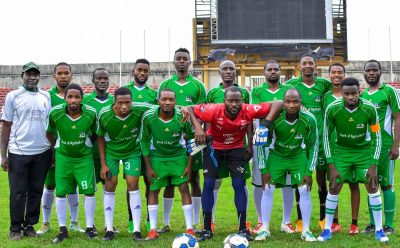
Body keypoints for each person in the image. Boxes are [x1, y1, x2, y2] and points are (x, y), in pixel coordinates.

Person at [184, 86, 283, 242]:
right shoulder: (213, 109)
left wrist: (265, 124)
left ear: (242, 101)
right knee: (209, 184)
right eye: (230, 100)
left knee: (239, 184)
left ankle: (243, 227)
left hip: (236, 149)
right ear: (224, 101)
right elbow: (189, 107)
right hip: (213, 148)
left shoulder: (248, 109)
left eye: (237, 100)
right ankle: (206, 229)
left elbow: (278, 103)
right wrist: (198, 128)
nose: (234, 104)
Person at [317, 77, 388, 243]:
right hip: (341, 152)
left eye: (354, 93)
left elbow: (377, 137)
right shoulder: (332, 109)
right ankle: (327, 229)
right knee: (334, 187)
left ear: (359, 92)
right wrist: (331, 165)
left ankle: (379, 229)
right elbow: (326, 137)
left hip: (363, 152)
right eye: (347, 94)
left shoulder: (369, 109)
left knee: (372, 185)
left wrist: (373, 165)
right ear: (341, 93)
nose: (350, 97)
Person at [255, 88, 318, 242]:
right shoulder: (273, 117)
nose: (291, 105)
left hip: (298, 156)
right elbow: (261, 144)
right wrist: (263, 169)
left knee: (304, 189)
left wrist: (309, 171)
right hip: (277, 155)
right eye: (288, 101)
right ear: (283, 102)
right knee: (268, 188)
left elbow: (313, 146)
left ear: (300, 102)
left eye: (295, 101)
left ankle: (306, 230)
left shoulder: (309, 119)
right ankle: (265, 229)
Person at [1, 62, 52, 240]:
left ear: (39, 76)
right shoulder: (13, 96)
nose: (32, 77)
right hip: (19, 152)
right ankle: (15, 227)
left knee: (36, 190)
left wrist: (52, 151)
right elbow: (6, 125)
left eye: (35, 74)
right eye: (29, 74)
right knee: (18, 191)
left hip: (42, 151)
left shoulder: (45, 96)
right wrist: (3, 155)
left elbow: (49, 126)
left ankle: (29, 225)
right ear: (22, 75)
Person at [157, 48, 207, 232]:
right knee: (169, 180)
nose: (182, 61)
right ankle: (166, 223)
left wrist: (196, 129)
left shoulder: (198, 86)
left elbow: (202, 110)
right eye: (178, 58)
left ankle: (194, 223)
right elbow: (161, 107)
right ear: (174, 62)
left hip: (192, 136)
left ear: (190, 62)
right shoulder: (166, 84)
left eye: (185, 58)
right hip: (170, 137)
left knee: (193, 177)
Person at [97, 87, 154, 241]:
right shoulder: (104, 115)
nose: (124, 107)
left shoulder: (139, 109)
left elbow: (160, 106)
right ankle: (109, 229)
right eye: (120, 103)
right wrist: (103, 163)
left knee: (132, 184)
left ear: (132, 102)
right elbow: (100, 138)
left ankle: (136, 230)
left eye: (128, 103)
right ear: (114, 102)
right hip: (112, 153)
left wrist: (183, 108)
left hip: (132, 152)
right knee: (110, 185)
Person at [140, 89, 195, 240]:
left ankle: (190, 228)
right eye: (164, 99)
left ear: (175, 102)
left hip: (178, 157)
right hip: (157, 157)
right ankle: (152, 229)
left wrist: (189, 164)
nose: (168, 103)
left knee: (184, 188)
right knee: (154, 190)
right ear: (158, 101)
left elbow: (191, 139)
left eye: (171, 100)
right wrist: (148, 166)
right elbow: (144, 141)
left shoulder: (182, 116)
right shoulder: (149, 116)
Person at [47, 84, 98, 243]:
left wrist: (84, 145)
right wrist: (56, 149)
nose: (73, 100)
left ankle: (90, 227)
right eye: (70, 96)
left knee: (89, 191)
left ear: (82, 98)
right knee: (61, 191)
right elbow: (49, 133)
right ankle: (63, 229)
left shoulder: (91, 113)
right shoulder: (55, 113)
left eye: (77, 97)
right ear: (65, 98)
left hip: (84, 158)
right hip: (64, 157)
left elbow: (96, 134)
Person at [206, 60, 252, 232]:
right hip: (216, 146)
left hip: (238, 145)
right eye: (224, 68)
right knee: (214, 182)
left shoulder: (244, 93)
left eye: (231, 69)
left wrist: (250, 142)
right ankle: (210, 219)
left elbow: (248, 118)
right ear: (219, 72)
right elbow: (207, 117)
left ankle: (243, 221)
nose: (228, 71)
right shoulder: (212, 93)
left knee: (241, 182)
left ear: (236, 72)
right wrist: (207, 141)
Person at [286, 53, 331, 232]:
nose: (307, 66)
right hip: (300, 141)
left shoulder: (324, 84)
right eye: (304, 63)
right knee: (300, 179)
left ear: (315, 65)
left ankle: (322, 218)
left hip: (319, 140)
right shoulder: (291, 85)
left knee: (321, 180)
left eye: (310, 63)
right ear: (299, 66)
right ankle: (300, 220)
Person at [38, 62, 83, 236]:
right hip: (51, 149)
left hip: (72, 150)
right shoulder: (47, 97)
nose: (63, 76)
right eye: (60, 73)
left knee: (72, 185)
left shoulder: (77, 96)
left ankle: (73, 222)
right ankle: (46, 223)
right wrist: (50, 148)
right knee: (50, 185)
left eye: (66, 73)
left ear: (71, 75)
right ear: (54, 76)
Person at [251, 60, 295, 234]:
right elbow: (256, 113)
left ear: (280, 72)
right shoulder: (256, 91)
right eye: (269, 69)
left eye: (276, 69)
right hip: (262, 138)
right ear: (264, 73)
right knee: (259, 181)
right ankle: (261, 221)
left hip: (285, 139)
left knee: (288, 181)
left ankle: (287, 221)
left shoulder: (287, 91)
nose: (273, 72)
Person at [361, 60, 400, 235]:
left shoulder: (389, 91)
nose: (371, 73)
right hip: (368, 149)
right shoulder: (362, 96)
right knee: (371, 183)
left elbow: (398, 118)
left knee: (387, 184)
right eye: (368, 70)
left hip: (385, 146)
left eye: (374, 70)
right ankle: (372, 223)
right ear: (363, 73)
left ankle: (389, 225)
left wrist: (395, 145)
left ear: (380, 72)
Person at [321, 63, 360, 234]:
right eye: (333, 72)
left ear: (344, 74)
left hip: (354, 148)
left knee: (353, 185)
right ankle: (334, 222)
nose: (336, 75)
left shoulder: (355, 97)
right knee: (334, 184)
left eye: (340, 72)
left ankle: (354, 223)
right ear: (329, 75)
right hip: (335, 149)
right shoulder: (325, 98)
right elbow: (327, 124)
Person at [123, 58, 157, 232]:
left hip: (149, 147)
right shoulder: (125, 92)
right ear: (133, 71)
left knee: (151, 183)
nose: (142, 73)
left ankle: (150, 220)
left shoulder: (153, 95)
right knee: (131, 184)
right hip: (131, 147)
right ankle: (131, 220)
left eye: (145, 70)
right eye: (139, 70)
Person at [82, 68, 115, 233]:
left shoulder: (116, 101)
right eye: (99, 78)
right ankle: (90, 224)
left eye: (105, 78)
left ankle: (109, 225)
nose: (102, 81)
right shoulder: (86, 101)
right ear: (93, 80)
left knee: (108, 187)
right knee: (90, 189)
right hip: (90, 153)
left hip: (110, 153)